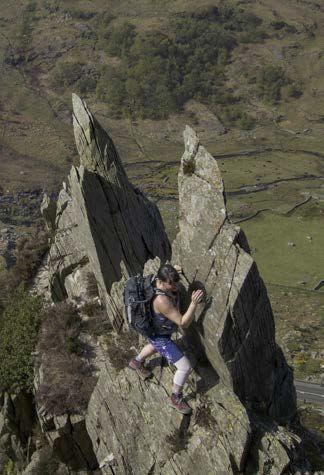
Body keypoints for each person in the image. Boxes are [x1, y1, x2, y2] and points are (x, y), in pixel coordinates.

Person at [129, 264, 204, 415]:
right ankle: (175, 398)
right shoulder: (162, 301)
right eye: (172, 284)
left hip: (154, 331)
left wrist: (173, 271)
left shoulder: (157, 279)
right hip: (160, 337)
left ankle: (136, 362)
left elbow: (167, 272)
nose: (176, 286)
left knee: (153, 345)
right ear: (162, 283)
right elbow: (183, 322)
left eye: (176, 282)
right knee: (185, 367)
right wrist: (194, 304)